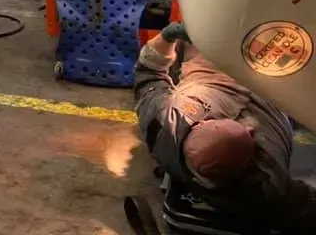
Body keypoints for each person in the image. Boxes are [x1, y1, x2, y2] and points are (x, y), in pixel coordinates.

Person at [133, 23, 316, 233]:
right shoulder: (270, 185)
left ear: (200, 125)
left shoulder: (167, 122)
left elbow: (148, 72)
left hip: (209, 69)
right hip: (275, 83)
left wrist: (166, 37)